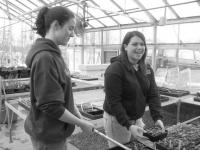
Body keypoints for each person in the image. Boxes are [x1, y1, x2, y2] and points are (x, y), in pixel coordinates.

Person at [24, 6, 94, 150]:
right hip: (48, 134)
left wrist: (80, 118)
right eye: (70, 28)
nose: (72, 34)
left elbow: (64, 95)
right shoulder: (45, 58)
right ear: (56, 25)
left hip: (56, 131)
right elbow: (52, 106)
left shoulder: (54, 54)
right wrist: (81, 124)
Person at [103, 31, 164, 148]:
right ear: (125, 46)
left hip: (136, 118)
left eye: (142, 44)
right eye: (135, 44)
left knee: (144, 145)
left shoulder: (146, 68)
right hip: (117, 120)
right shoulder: (115, 69)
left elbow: (153, 94)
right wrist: (128, 125)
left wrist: (157, 118)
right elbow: (114, 102)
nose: (139, 47)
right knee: (122, 148)